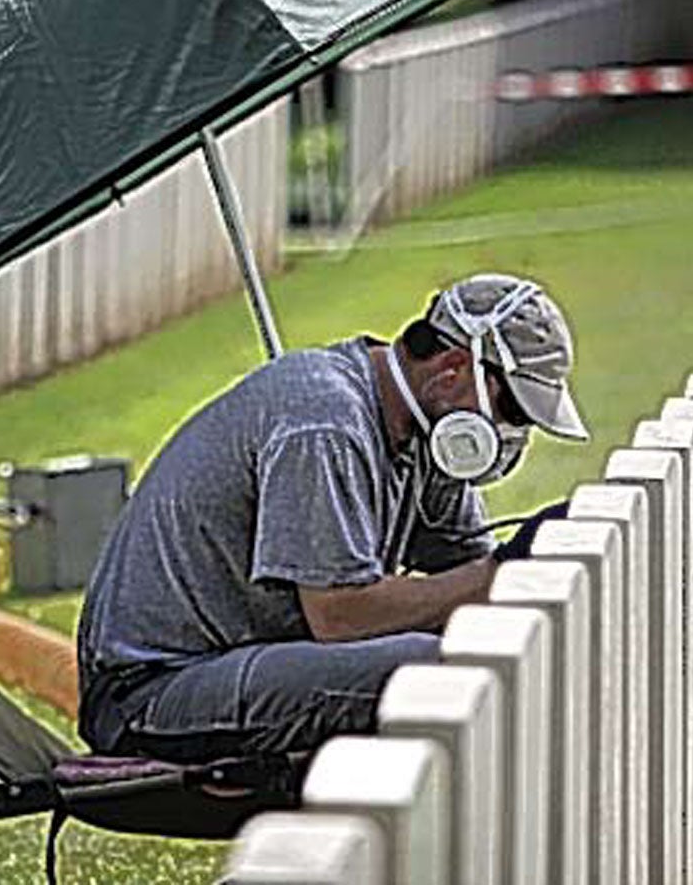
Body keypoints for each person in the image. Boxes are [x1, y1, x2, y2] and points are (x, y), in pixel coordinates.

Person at [75, 272, 587, 763]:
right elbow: (340, 616)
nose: (511, 433)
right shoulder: (324, 422)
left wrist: (526, 561)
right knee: (437, 667)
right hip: (151, 692)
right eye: (514, 412)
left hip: (239, 662)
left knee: (480, 645)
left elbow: (470, 582)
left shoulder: (427, 433)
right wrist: (500, 573)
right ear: (452, 370)